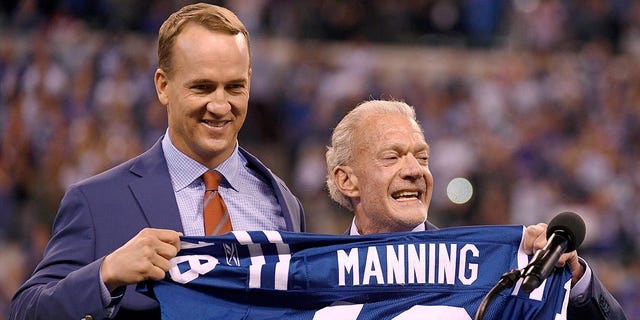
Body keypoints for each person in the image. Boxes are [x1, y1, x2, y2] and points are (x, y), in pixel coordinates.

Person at [10, 3, 305, 319]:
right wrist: (106, 273)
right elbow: (26, 311)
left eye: (234, 87)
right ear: (163, 86)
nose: (220, 106)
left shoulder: (281, 202)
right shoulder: (97, 202)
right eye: (202, 87)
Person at [325, 99, 627, 319]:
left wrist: (574, 281)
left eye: (422, 157)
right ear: (347, 181)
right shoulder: (311, 282)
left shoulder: (490, 271)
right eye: (392, 157)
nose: (415, 170)